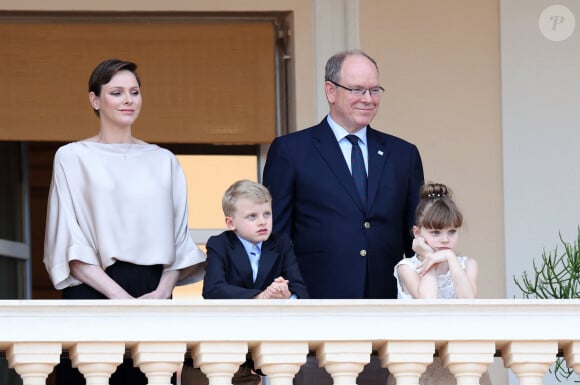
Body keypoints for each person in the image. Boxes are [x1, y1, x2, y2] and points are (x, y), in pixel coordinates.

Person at [43, 59, 206, 385]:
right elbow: (69, 243)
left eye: (134, 92)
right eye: (116, 92)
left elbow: (179, 240)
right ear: (94, 100)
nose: (128, 100)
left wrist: (160, 294)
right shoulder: (72, 157)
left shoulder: (164, 161)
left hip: (153, 293)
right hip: (93, 293)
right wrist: (123, 301)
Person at [263, 49, 424, 300]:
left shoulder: (403, 155)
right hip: (315, 301)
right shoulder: (291, 151)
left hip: (386, 302)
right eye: (357, 89)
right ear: (331, 91)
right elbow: (276, 235)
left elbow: (416, 238)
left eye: (374, 90)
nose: (368, 99)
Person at [181, 179, 308, 385]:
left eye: (267, 214)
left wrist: (286, 295)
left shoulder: (282, 244)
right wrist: (260, 296)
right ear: (231, 223)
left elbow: (300, 289)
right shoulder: (220, 244)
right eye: (252, 216)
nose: (262, 222)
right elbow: (213, 290)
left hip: (256, 353)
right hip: (217, 351)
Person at [389, 182, 491, 385]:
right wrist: (428, 257)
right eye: (435, 233)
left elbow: (468, 300)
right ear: (417, 233)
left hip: (460, 362)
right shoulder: (406, 268)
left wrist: (451, 260)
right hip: (417, 363)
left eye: (452, 232)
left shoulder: (467, 265)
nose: (445, 240)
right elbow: (428, 302)